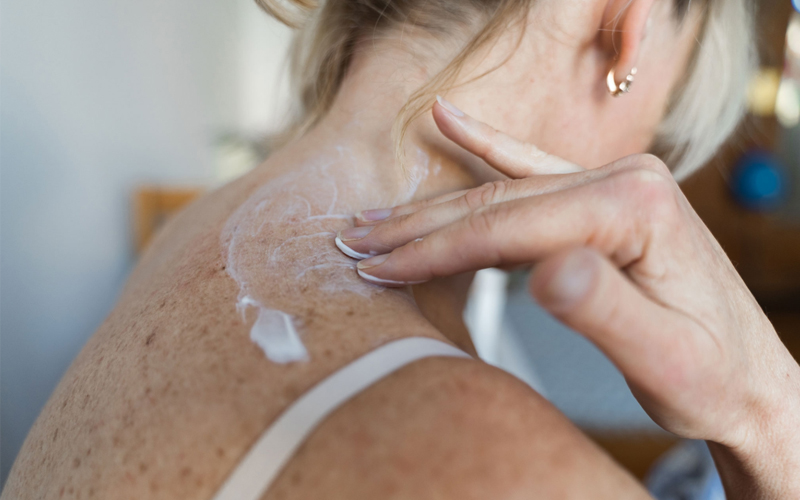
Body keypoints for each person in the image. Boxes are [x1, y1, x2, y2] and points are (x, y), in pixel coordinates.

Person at [5, 0, 796, 499]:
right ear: (631, 26)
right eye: (671, 104)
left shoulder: (195, 227)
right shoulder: (513, 476)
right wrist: (772, 413)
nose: (652, 139)